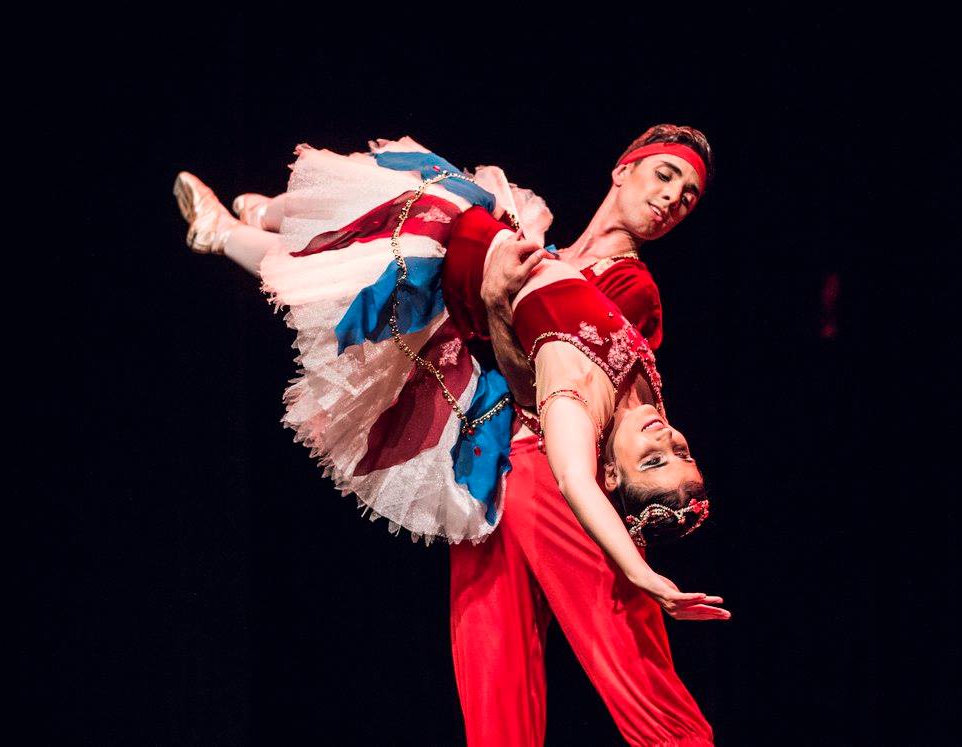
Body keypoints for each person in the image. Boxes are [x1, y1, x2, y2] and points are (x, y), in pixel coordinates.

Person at [175, 128, 727, 745]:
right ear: (623, 170)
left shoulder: (632, 286)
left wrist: (496, 306)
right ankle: (256, 222)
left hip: (548, 469)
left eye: (688, 197)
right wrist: (493, 304)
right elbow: (528, 361)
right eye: (665, 177)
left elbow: (561, 389)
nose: (673, 199)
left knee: (623, 641)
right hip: (490, 466)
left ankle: (243, 226)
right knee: (493, 674)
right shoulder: (544, 240)